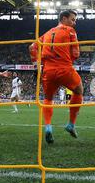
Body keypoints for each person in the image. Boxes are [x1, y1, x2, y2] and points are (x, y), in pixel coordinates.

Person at [29, 10, 83, 144]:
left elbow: (32, 47)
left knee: (48, 99)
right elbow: (76, 54)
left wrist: (36, 63)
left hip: (48, 71)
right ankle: (71, 124)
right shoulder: (70, 31)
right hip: (64, 68)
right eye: (72, 19)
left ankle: (48, 127)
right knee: (79, 90)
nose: (74, 23)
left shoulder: (47, 33)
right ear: (64, 19)